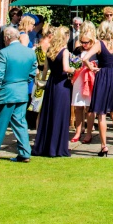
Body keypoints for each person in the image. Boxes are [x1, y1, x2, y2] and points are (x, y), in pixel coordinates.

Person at [0, 25, 37, 162]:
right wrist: (23, 83)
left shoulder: (5, 52)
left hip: (6, 92)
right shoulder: (29, 52)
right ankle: (25, 153)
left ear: (7, 38)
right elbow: (32, 73)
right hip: (21, 92)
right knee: (20, 123)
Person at [35, 27, 76, 157]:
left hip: (51, 84)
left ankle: (45, 146)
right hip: (61, 85)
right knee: (60, 115)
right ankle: (57, 148)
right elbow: (66, 68)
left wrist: (42, 82)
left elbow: (45, 69)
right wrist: (76, 70)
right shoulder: (64, 51)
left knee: (49, 114)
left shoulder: (50, 50)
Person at [91, 21, 113, 156]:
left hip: (102, 76)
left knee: (101, 114)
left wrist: (92, 67)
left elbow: (86, 58)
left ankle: (104, 146)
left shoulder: (99, 44)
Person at [70, 22, 99, 144]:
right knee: (78, 107)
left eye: (86, 42)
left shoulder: (96, 50)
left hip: (91, 80)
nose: (84, 44)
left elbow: (100, 64)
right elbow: (73, 63)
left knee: (90, 108)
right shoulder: (78, 50)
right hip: (79, 80)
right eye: (82, 42)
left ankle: (88, 133)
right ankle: (78, 131)